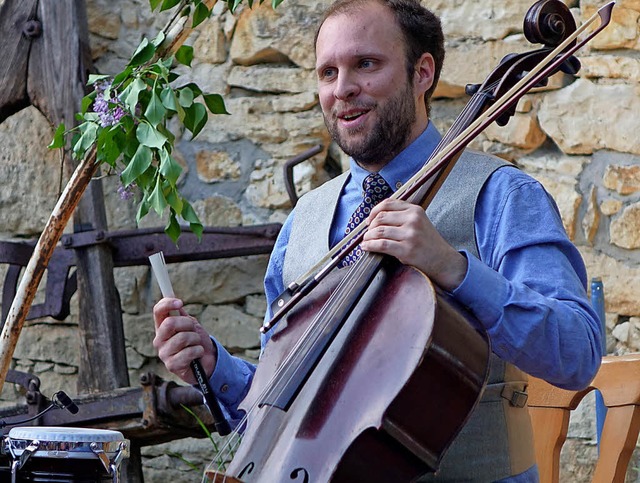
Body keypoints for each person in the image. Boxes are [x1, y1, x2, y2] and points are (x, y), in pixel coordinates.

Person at [153, 0, 602, 480]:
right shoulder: (304, 220)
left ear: (422, 72)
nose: (343, 89)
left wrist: (455, 270)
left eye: (365, 64)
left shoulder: (503, 196)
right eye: (328, 72)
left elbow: (576, 355)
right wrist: (214, 365)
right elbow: (282, 411)